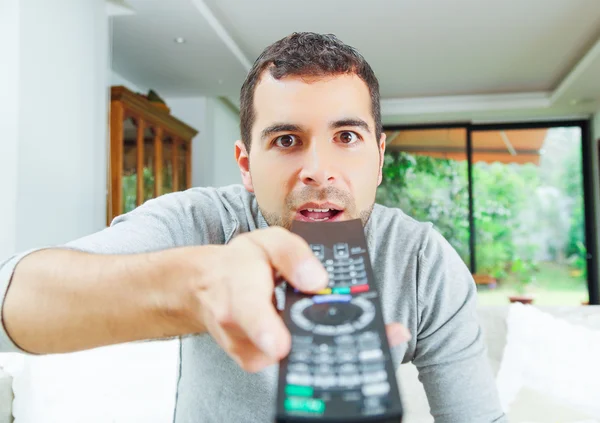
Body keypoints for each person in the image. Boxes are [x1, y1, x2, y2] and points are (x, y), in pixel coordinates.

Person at [0, 32, 506, 422]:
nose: (317, 169)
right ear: (246, 163)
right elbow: (15, 294)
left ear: (378, 158)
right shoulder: (198, 222)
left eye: (346, 136)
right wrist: (194, 287)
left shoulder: (423, 261)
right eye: (286, 140)